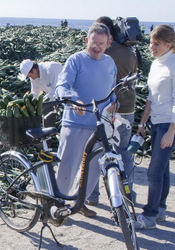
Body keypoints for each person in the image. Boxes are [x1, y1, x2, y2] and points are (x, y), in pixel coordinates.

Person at [54, 23, 118, 218]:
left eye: (101, 43)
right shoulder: (75, 60)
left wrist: (115, 103)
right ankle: (57, 204)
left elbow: (112, 90)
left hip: (100, 125)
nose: (97, 47)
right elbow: (61, 86)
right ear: (86, 41)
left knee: (91, 170)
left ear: (108, 43)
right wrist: (75, 100)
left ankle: (79, 203)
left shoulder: (110, 63)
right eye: (93, 43)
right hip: (75, 124)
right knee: (68, 166)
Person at [86, 16, 138, 207]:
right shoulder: (130, 51)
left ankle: (92, 196)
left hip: (108, 109)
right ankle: (128, 193)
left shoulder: (106, 52)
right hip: (128, 107)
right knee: (124, 152)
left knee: (98, 150)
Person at [133, 24, 175, 230]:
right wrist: (142, 121)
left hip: (169, 123)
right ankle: (160, 210)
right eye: (151, 42)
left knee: (154, 171)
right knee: (163, 169)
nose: (151, 47)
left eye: (157, 43)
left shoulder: (173, 64)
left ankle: (149, 216)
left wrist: (172, 131)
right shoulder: (156, 64)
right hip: (156, 122)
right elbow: (150, 97)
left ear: (170, 44)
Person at [19, 59, 63, 128]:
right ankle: (49, 134)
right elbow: (35, 93)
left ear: (34, 70)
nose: (30, 78)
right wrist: (29, 106)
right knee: (45, 110)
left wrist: (44, 101)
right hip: (52, 96)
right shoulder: (34, 77)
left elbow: (57, 89)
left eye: (29, 76)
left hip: (68, 95)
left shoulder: (51, 69)